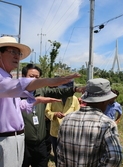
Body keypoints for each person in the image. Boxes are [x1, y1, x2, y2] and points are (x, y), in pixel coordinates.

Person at [0, 36, 80, 167]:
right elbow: (18, 85)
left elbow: (16, 106)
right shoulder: (3, 80)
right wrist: (49, 81)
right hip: (7, 138)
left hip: (17, 139)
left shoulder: (7, 78)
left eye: (18, 53)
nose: (17, 56)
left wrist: (36, 100)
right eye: (12, 52)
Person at [21, 64, 83, 167]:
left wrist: (74, 89)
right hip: (24, 144)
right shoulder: (16, 95)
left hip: (40, 143)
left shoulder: (41, 91)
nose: (34, 80)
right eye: (31, 76)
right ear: (23, 77)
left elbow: (57, 91)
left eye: (37, 77)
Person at [57, 78, 123, 167]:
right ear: (105, 101)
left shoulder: (66, 119)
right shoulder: (107, 124)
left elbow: (60, 153)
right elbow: (115, 158)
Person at [45, 80, 80, 166]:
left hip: (70, 132)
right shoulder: (53, 97)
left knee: (69, 155)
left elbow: (78, 113)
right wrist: (55, 114)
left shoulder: (74, 99)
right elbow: (47, 111)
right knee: (58, 155)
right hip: (55, 132)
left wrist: (71, 118)